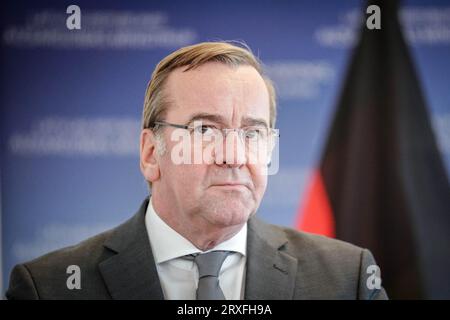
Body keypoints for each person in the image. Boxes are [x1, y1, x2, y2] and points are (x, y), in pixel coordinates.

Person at [6, 41, 387, 300]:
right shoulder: (49, 287)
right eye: (205, 130)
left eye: (253, 132)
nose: (233, 155)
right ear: (151, 153)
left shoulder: (346, 279)